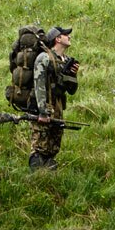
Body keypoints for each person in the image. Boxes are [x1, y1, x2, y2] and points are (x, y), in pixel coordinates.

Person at [28, 26, 79, 171]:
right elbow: (39, 85)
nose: (69, 37)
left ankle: (47, 178)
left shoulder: (66, 60)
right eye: (65, 35)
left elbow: (71, 90)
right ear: (57, 39)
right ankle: (35, 177)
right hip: (44, 106)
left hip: (58, 108)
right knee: (40, 145)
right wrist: (42, 111)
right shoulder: (44, 58)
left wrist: (72, 75)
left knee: (53, 145)